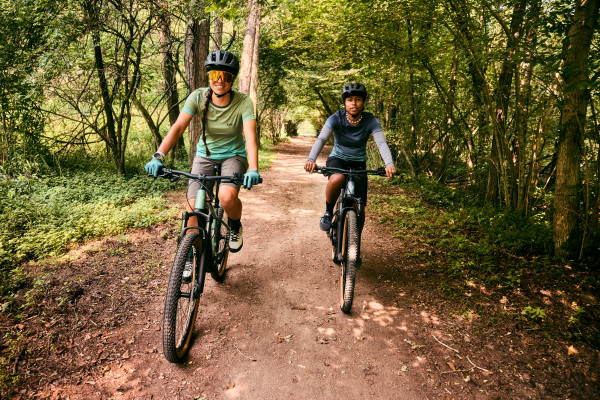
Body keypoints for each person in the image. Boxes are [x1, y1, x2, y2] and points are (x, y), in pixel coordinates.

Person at [145, 50, 260, 254]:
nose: (220, 80)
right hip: (204, 156)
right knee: (192, 210)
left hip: (233, 156)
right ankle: (190, 257)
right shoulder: (198, 96)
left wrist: (253, 168)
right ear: (209, 76)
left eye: (226, 76)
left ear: (233, 79)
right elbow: (178, 128)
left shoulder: (243, 102)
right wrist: (159, 155)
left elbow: (250, 136)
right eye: (215, 75)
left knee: (226, 197)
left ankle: (234, 225)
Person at [304, 82, 396, 234]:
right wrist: (311, 159)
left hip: (358, 162)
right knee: (337, 178)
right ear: (345, 103)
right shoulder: (336, 118)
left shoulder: (371, 120)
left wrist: (389, 164)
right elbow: (322, 139)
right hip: (338, 158)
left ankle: (354, 241)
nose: (354, 103)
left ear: (363, 102)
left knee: (359, 207)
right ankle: (328, 213)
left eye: (358, 99)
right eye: (350, 100)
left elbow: (381, 143)